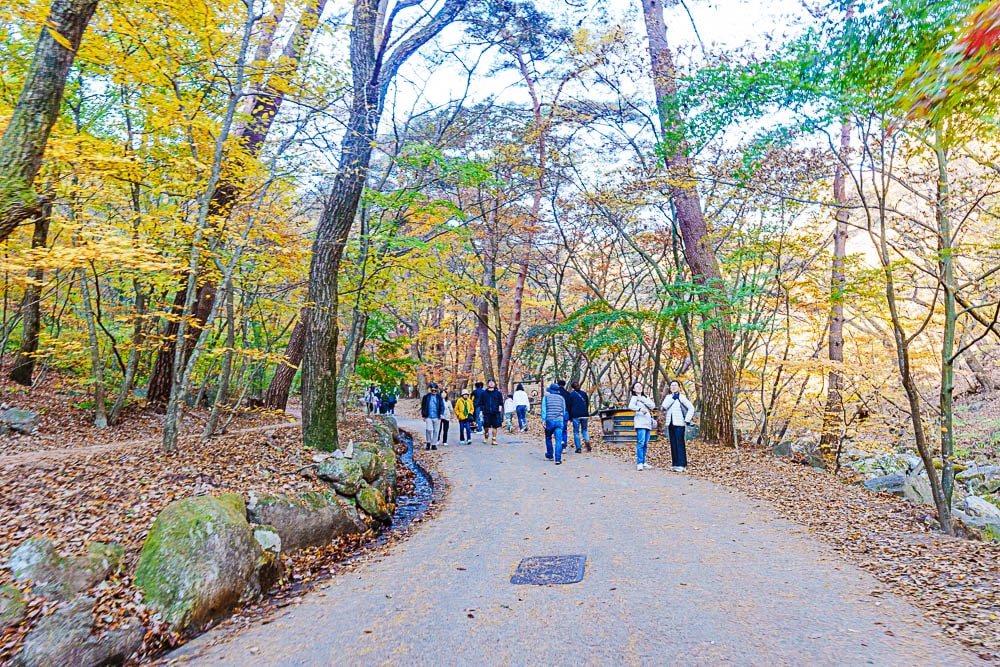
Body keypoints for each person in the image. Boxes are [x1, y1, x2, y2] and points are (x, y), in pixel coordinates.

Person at [660, 379, 695, 471]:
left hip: (680, 423)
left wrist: (687, 420)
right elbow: (664, 406)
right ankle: (675, 463)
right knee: (673, 443)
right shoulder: (668, 397)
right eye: (672, 385)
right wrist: (673, 398)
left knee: (680, 443)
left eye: (675, 385)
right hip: (670, 423)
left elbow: (691, 408)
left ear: (679, 387)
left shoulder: (682, 397)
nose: (673, 387)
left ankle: (682, 464)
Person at [628, 381, 655, 470]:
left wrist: (642, 400)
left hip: (648, 423)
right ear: (634, 389)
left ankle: (644, 462)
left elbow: (652, 406)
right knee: (641, 443)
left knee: (646, 444)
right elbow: (630, 406)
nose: (639, 388)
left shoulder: (645, 397)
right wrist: (639, 409)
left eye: (640, 386)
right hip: (640, 423)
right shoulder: (634, 398)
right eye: (637, 386)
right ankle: (639, 462)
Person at [542, 383, 567, 464]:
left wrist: (543, 420)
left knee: (548, 437)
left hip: (549, 420)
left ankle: (550, 454)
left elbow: (544, 410)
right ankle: (558, 459)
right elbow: (563, 410)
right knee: (559, 440)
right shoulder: (562, 398)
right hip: (559, 421)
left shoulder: (546, 398)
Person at [567, 380, 591, 453]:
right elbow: (587, 403)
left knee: (576, 431)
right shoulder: (584, 394)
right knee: (584, 430)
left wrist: (570, 416)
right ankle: (587, 440)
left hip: (575, 415)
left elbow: (569, 406)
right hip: (584, 414)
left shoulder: (571, 395)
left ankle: (578, 448)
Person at [420, 382, 444, 450]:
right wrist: (423, 415)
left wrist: (441, 413)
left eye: (435, 390)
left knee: (436, 431)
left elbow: (442, 406)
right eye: (432, 390)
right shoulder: (426, 397)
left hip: (437, 416)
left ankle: (433, 444)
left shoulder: (439, 397)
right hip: (428, 416)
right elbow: (423, 406)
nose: (433, 391)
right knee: (428, 429)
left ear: (437, 390)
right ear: (430, 390)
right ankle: (428, 442)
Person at [480, 379, 505, 445]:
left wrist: (500, 408)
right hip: (486, 412)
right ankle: (486, 435)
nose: (491, 384)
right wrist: (481, 410)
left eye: (492, 382)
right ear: (488, 384)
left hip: (495, 412)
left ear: (494, 384)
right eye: (490, 382)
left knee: (495, 426)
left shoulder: (498, 393)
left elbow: (500, 402)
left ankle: (494, 439)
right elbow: (481, 402)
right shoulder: (484, 393)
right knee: (486, 426)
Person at [556, 380, 572, 450]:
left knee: (558, 429)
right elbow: (570, 405)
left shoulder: (556, 394)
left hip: (557, 414)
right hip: (566, 413)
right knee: (564, 430)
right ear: (564, 385)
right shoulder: (567, 393)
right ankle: (564, 446)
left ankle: (559, 443)